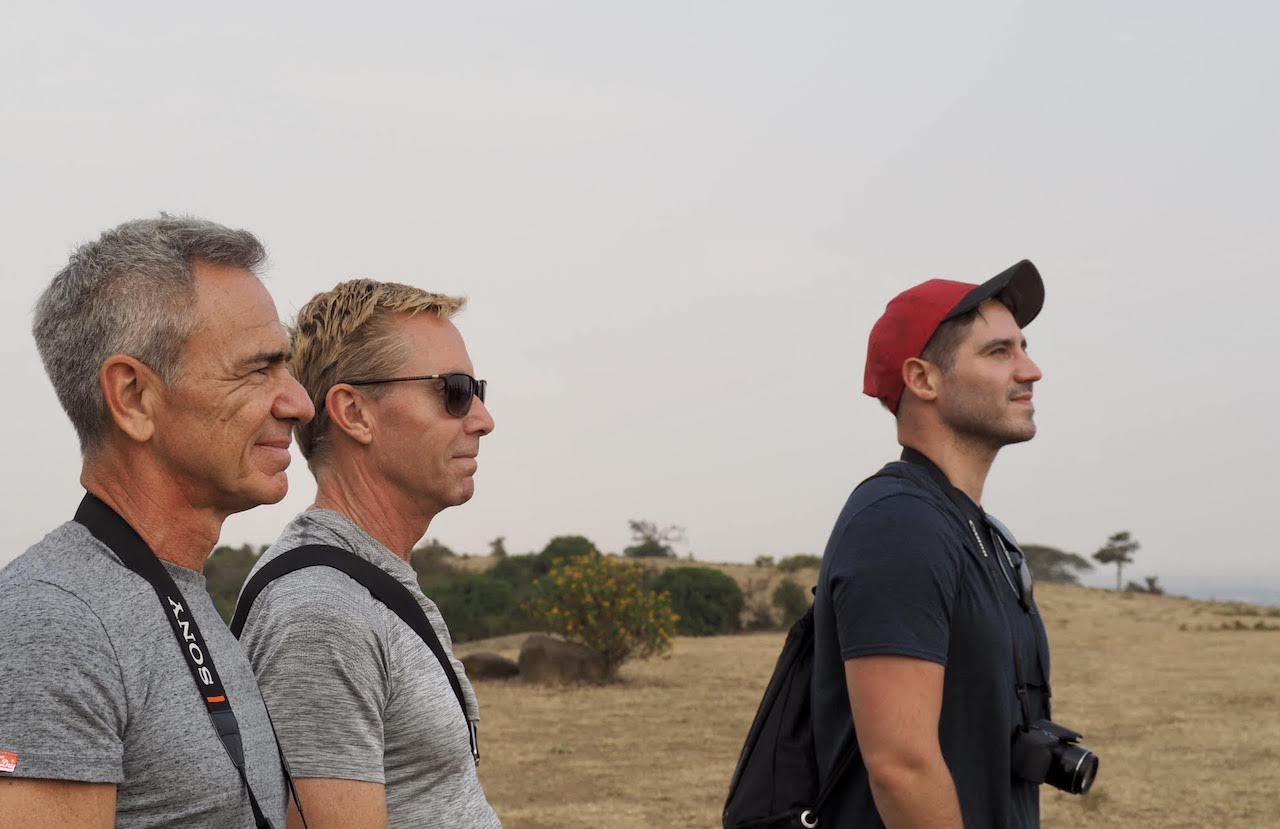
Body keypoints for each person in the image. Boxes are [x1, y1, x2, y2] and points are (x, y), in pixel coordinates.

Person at [0, 216, 315, 828]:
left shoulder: (170, 591)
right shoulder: (56, 619)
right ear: (134, 397)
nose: (298, 402)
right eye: (259, 368)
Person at [235, 279, 501, 829]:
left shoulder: (370, 582)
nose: (481, 418)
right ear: (354, 413)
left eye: (477, 390)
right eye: (453, 391)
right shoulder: (319, 613)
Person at [811, 261, 1052, 828]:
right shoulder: (898, 524)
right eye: (999, 353)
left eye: (1024, 347)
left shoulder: (976, 531)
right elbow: (902, 766)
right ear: (923, 379)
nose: (1032, 370)